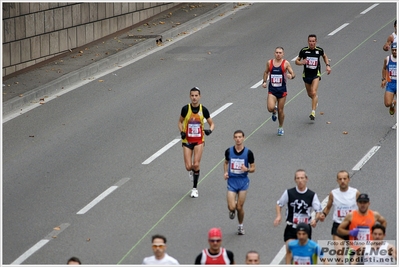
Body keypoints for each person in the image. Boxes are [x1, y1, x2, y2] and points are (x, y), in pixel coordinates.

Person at [274, 169, 322, 256]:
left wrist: (315, 219)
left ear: (306, 179)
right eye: (298, 178)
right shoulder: (289, 193)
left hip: (305, 228)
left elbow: (318, 210)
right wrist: (278, 216)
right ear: (295, 180)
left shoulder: (311, 195)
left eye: (302, 178)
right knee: (290, 250)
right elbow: (279, 204)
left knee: (303, 254)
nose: (300, 180)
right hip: (291, 227)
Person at [178, 87, 215, 198]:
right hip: (187, 140)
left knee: (196, 164)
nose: (194, 98)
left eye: (196, 95)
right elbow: (180, 122)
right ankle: (192, 172)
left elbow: (212, 123)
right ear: (190, 96)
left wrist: (210, 130)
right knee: (188, 166)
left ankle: (194, 189)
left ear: (200, 96)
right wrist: (182, 132)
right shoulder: (185, 109)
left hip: (199, 140)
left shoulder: (203, 110)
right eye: (192, 95)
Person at [318, 170, 360, 264]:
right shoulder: (333, 193)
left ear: (349, 179)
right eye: (340, 179)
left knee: (353, 259)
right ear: (337, 180)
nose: (342, 181)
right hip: (338, 227)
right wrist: (323, 214)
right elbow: (328, 207)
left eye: (344, 179)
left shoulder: (355, 192)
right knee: (339, 258)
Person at [337, 193, 387, 261]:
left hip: (370, 248)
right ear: (357, 203)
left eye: (365, 202)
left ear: (369, 203)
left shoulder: (374, 214)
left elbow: (384, 222)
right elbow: (339, 230)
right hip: (354, 249)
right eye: (360, 202)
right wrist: (350, 232)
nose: (362, 204)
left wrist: (378, 234)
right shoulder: (351, 215)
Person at [224, 130, 255, 235]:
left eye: (240, 137)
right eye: (236, 137)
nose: (238, 139)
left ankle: (240, 226)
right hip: (232, 181)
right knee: (232, 207)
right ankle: (232, 208)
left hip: (243, 181)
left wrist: (247, 169)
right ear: (233, 138)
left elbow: (253, 168)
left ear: (243, 138)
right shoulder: (229, 151)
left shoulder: (248, 153)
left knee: (240, 207)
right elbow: (226, 162)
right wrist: (225, 173)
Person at [295, 34, 331, 120]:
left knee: (314, 92)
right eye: (310, 41)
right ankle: (315, 100)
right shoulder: (304, 51)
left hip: (316, 74)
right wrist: (301, 62)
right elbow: (296, 61)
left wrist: (328, 65)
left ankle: (313, 112)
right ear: (308, 42)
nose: (311, 43)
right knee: (310, 94)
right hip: (306, 75)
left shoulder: (319, 50)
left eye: (313, 41)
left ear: (316, 42)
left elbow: (325, 56)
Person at [262, 46, 296, 136]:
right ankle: (274, 111)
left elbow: (293, 73)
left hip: (282, 90)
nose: (278, 54)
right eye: (277, 52)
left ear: (283, 54)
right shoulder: (269, 63)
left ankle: (280, 127)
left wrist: (291, 76)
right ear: (274, 53)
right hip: (272, 90)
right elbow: (266, 72)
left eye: (280, 53)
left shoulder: (286, 63)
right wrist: (264, 82)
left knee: (281, 110)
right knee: (270, 108)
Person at [381, 42, 397, 116]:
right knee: (387, 103)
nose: (394, 51)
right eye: (393, 50)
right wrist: (384, 79)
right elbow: (384, 68)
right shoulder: (387, 59)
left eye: (396, 50)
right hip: (391, 83)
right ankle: (393, 103)